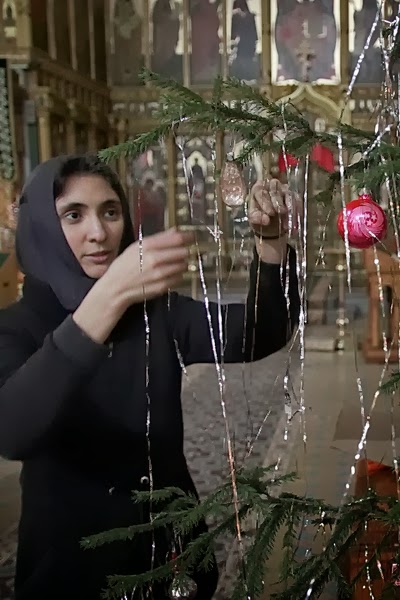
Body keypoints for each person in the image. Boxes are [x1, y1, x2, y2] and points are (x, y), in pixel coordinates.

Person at [0, 155, 300, 600]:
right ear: (41, 225)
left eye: (110, 211)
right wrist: (108, 297)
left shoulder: (153, 312)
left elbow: (261, 332)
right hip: (70, 563)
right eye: (73, 215)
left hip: (170, 552)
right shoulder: (16, 327)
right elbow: (11, 431)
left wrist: (271, 241)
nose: (98, 232)